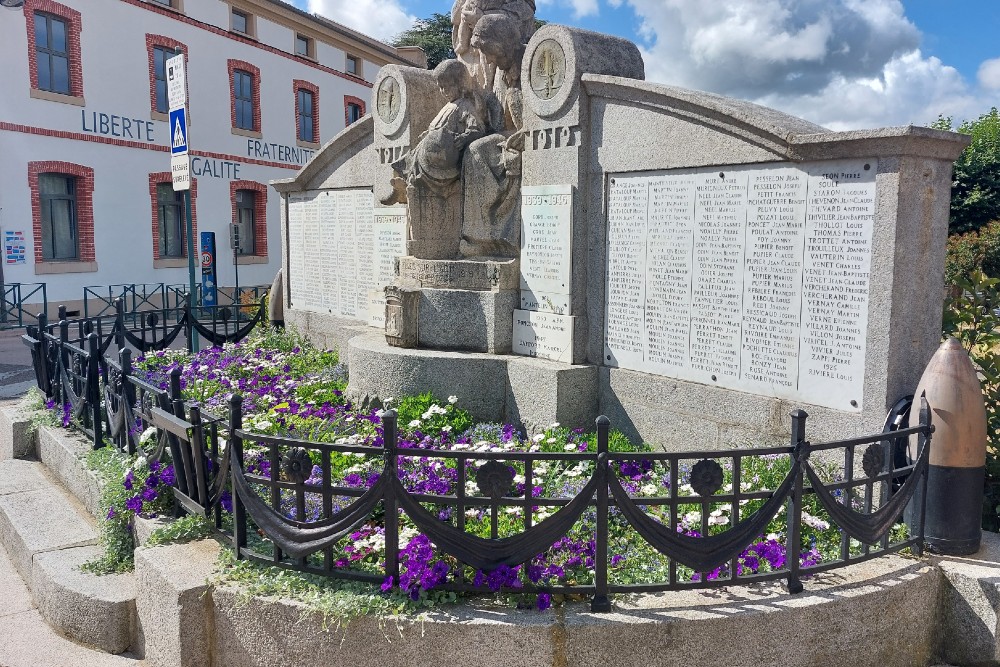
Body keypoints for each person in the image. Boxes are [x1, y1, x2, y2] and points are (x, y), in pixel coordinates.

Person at [460, 13, 528, 258]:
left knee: (480, 151)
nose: (488, 60)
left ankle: (502, 235)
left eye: (490, 52)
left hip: (531, 139)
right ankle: (481, 234)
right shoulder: (501, 73)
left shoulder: (530, 63)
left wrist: (525, 135)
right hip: (510, 137)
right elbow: (501, 120)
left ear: (504, 44)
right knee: (475, 150)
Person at [386, 60, 486, 203]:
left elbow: (478, 128)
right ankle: (400, 189)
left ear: (459, 83)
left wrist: (464, 137)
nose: (443, 91)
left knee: (413, 164)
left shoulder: (465, 105)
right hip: (430, 148)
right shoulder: (448, 106)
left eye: (447, 87)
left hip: (445, 152)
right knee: (401, 163)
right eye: (440, 87)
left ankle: (405, 186)